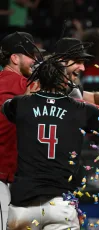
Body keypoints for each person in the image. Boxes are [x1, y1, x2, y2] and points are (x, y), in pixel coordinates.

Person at [1, 47, 99, 230]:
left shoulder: (20, 105)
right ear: (64, 81)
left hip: (23, 205)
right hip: (60, 203)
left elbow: (6, 107)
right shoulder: (81, 109)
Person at [0, 31, 43, 230]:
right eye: (30, 55)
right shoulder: (19, 84)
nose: (35, 60)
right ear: (14, 58)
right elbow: (71, 103)